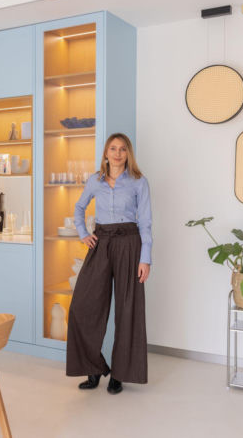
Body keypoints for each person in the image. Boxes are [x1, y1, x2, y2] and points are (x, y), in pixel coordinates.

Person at [66, 132, 152, 395]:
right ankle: (93, 368)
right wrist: (83, 233)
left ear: (128, 154)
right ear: (106, 152)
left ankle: (120, 374)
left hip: (130, 243)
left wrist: (145, 258)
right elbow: (79, 208)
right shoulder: (96, 181)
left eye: (122, 149)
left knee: (128, 310)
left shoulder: (139, 182)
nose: (117, 153)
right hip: (101, 242)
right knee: (83, 306)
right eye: (113, 148)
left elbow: (145, 221)